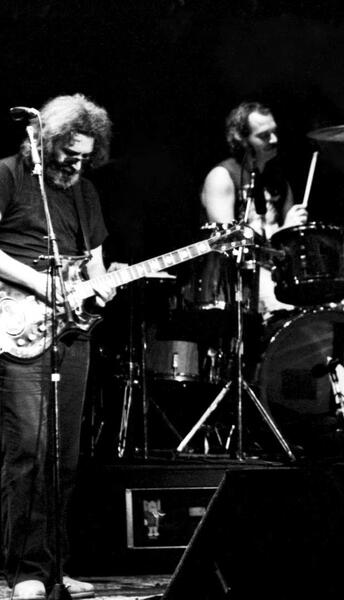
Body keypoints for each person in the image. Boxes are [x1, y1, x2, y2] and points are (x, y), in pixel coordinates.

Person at [0, 94, 117, 599]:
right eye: (69, 154)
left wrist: (102, 286)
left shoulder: (84, 193)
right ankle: (22, 570)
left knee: (63, 457)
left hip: (71, 330)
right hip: (17, 324)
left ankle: (54, 567)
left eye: (86, 157)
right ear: (45, 142)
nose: (76, 164)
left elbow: (94, 261)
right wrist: (39, 283)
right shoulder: (8, 175)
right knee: (29, 450)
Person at [200, 101, 308, 317]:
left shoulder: (279, 182)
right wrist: (282, 233)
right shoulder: (222, 177)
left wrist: (293, 232)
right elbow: (227, 244)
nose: (274, 140)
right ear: (242, 139)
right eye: (264, 136)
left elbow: (289, 246)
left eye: (274, 132)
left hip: (274, 274)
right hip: (234, 282)